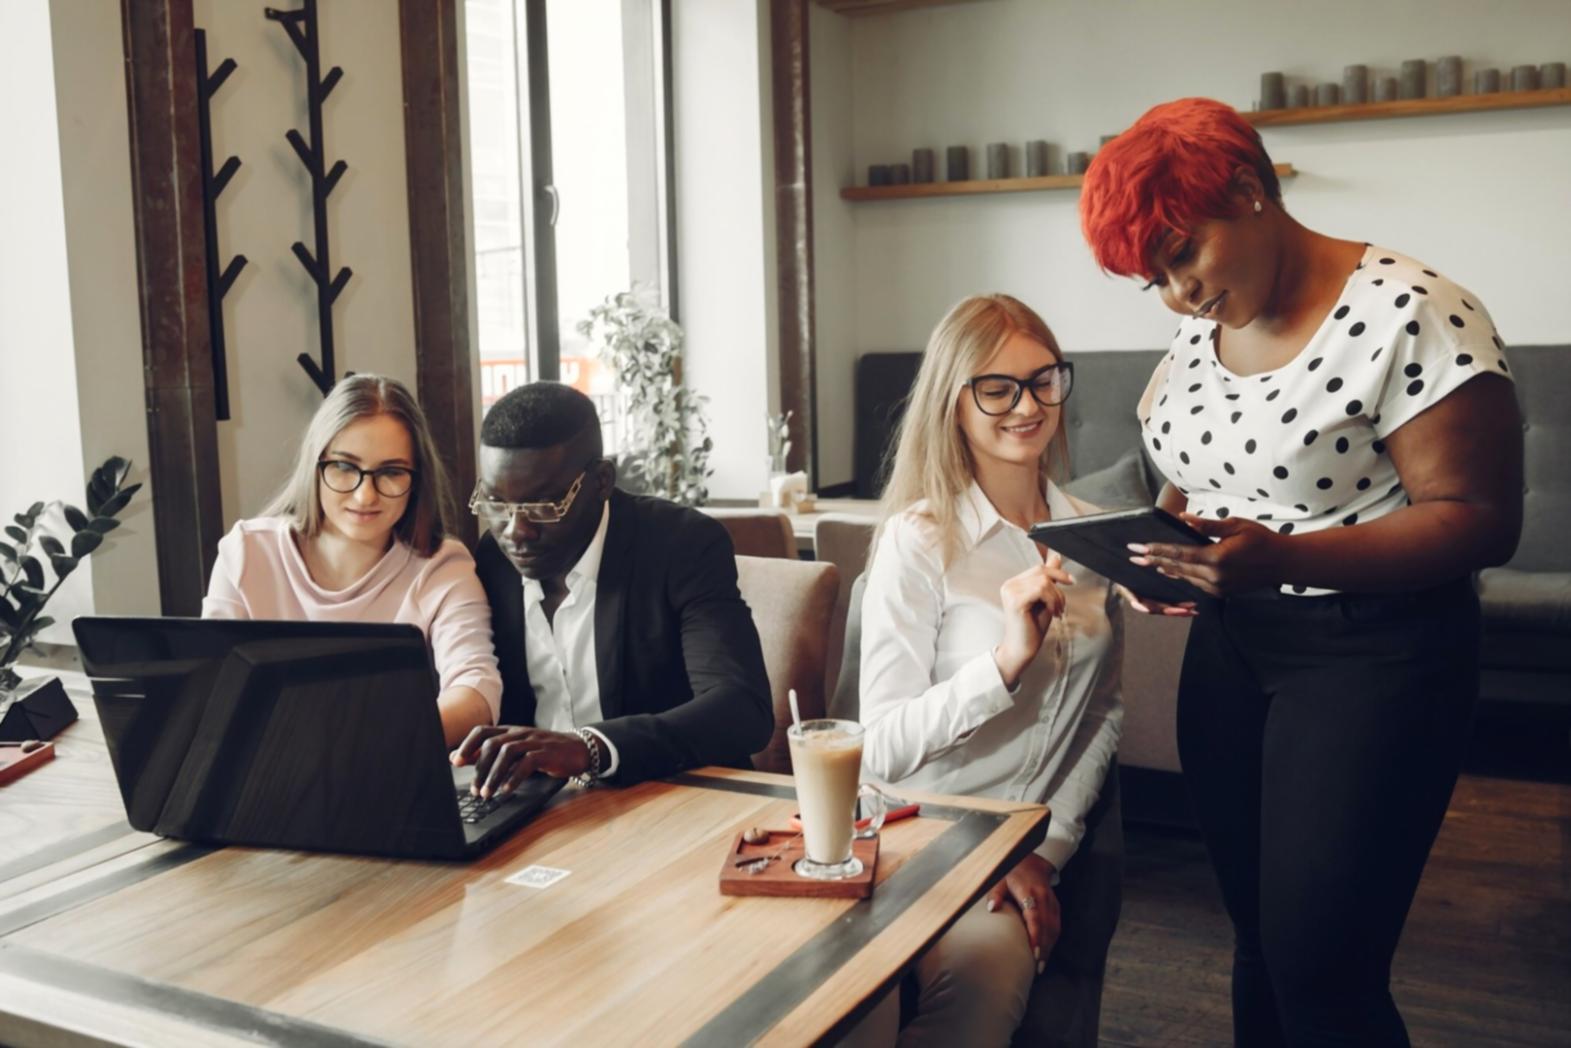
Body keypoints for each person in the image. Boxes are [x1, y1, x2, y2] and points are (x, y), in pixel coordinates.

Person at [1079, 97, 1523, 1047]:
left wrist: (1276, 558)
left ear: (1246, 190)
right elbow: (1204, 482)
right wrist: (1158, 546)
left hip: (1376, 656)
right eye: (1149, 279)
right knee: (1259, 946)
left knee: (1324, 967)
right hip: (1233, 653)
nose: (1175, 294)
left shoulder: (1413, 309)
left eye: (1180, 254)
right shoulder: (1201, 331)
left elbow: (1480, 522)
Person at [856, 294, 1124, 1048]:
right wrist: (1003, 662)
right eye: (995, 388)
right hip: (908, 837)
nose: (1026, 405)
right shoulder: (919, 541)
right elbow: (877, 750)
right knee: (853, 1014)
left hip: (1012, 849)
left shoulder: (1090, 538)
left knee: (980, 992)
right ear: (953, 402)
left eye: (1043, 380)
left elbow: (1101, 716)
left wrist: (1042, 847)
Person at [451, 381, 773, 793]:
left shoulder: (681, 546)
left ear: (602, 481)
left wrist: (591, 747)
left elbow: (742, 710)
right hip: (540, 811)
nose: (517, 531)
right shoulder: (494, 562)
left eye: (544, 507)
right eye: (496, 503)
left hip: (671, 796)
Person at [202, 374, 502, 746]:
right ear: (317, 464)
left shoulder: (442, 567)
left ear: (417, 477)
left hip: (390, 775)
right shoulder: (247, 553)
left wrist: (370, 744)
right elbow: (214, 691)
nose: (365, 496)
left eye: (391, 472)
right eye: (345, 467)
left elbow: (476, 692)